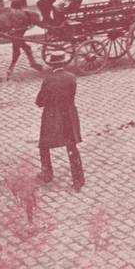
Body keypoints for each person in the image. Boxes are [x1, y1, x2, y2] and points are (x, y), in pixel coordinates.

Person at [35, 50, 84, 191]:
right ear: (63, 62)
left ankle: (47, 173)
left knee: (44, 145)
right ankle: (78, 179)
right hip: (69, 115)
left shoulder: (49, 79)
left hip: (52, 116)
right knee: (72, 146)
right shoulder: (71, 77)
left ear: (52, 65)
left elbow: (40, 101)